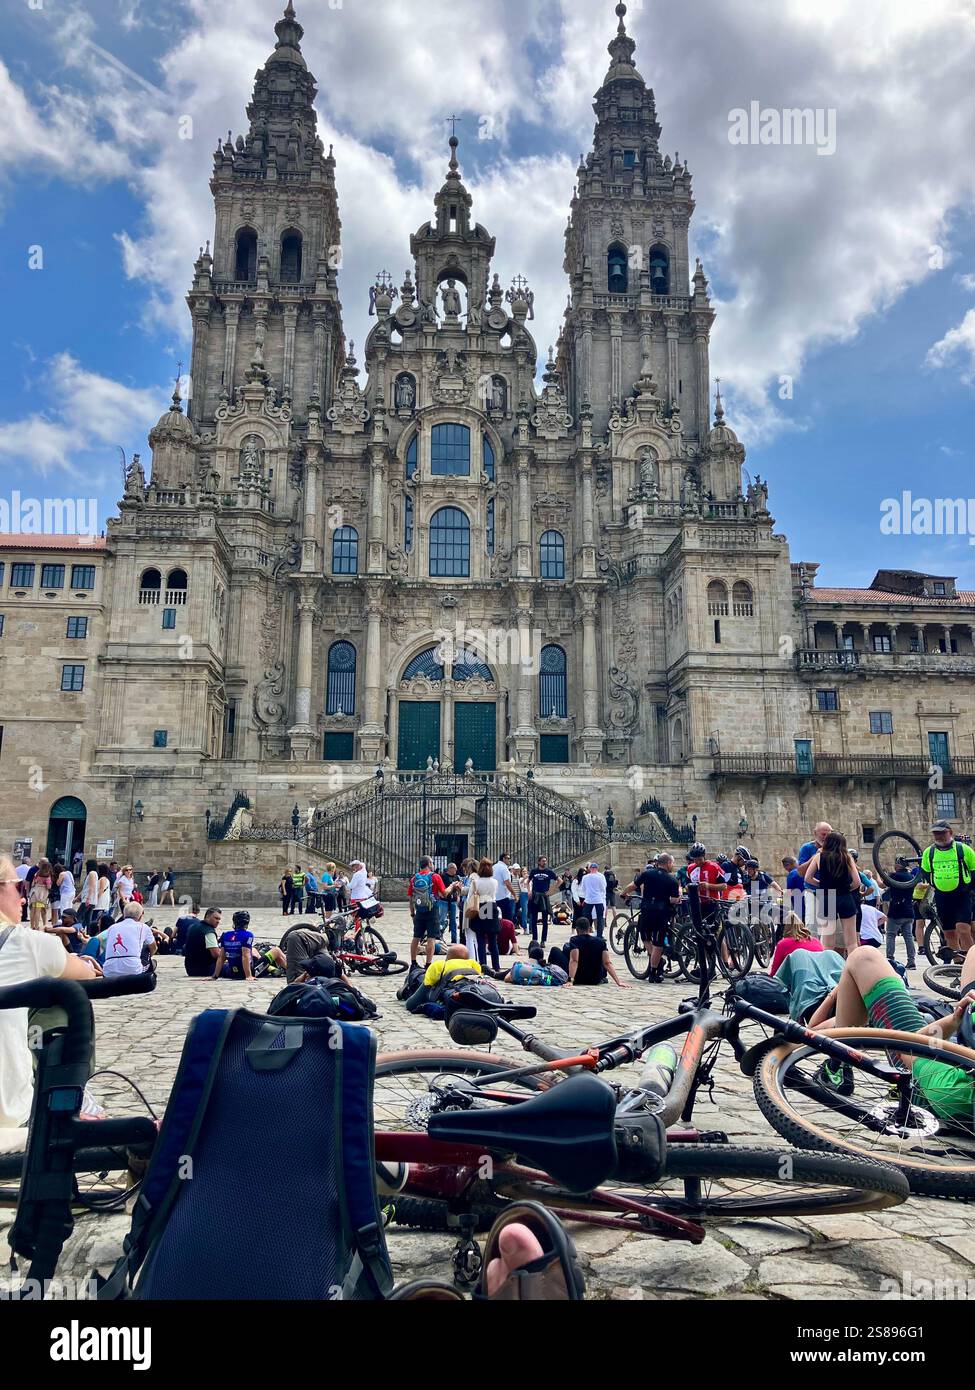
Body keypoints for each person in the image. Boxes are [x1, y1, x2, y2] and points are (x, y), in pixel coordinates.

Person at [805, 944, 975, 1119]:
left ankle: (836, 1069)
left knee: (864, 957)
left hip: (929, 1076)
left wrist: (955, 1020)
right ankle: (837, 1066)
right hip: (949, 1074)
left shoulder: (953, 1090)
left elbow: (910, 1048)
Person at [0, 854, 102, 1135]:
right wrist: (89, 964)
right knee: (59, 1006)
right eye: (20, 887)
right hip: (10, 1115)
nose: (24, 898)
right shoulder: (30, 944)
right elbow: (88, 974)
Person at [920, 819, 975, 960]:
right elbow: (925, 871)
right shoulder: (929, 852)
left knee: (963, 929)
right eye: (936, 833)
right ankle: (958, 967)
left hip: (962, 895)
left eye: (942, 833)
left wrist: (970, 888)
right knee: (949, 933)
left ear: (950, 832)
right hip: (942, 896)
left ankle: (972, 964)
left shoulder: (963, 849)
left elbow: (974, 869)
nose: (939, 836)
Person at [622, 853, 680, 983]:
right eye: (672, 863)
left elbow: (633, 885)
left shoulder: (647, 874)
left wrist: (624, 893)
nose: (673, 865)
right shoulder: (672, 880)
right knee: (658, 944)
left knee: (646, 938)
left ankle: (658, 962)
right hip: (662, 913)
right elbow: (675, 899)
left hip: (647, 910)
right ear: (668, 863)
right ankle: (654, 972)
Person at [801, 831, 861, 955]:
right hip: (845, 897)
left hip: (827, 898)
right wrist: (846, 888)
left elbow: (807, 878)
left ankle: (827, 969)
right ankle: (854, 969)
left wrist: (821, 885)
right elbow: (857, 882)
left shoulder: (819, 856)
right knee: (851, 942)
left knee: (828, 942)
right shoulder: (847, 856)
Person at [404, 944, 482, 1015]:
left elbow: (412, 1004)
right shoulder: (474, 965)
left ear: (448, 957)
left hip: (434, 987)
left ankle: (407, 986)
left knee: (418, 980)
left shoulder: (440, 965)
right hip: (461, 993)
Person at [562, 917, 627, 988]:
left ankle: (553, 976)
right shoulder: (601, 942)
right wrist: (618, 982)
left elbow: (574, 961)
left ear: (577, 930)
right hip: (595, 979)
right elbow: (607, 963)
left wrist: (570, 981)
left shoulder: (574, 940)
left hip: (578, 978)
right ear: (590, 929)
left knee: (557, 950)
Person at [407, 857, 447, 966]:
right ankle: (428, 963)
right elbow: (444, 894)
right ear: (429, 863)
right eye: (432, 863)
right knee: (431, 938)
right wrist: (452, 887)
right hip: (432, 910)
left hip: (419, 911)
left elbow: (410, 898)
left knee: (416, 937)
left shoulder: (414, 878)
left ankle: (413, 962)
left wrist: (412, 913)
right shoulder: (435, 877)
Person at [882, 858, 920, 971]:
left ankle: (890, 959)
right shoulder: (911, 877)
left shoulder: (895, 876)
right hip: (908, 909)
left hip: (896, 910)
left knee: (890, 934)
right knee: (908, 937)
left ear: (898, 865)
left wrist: (881, 874)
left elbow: (883, 884)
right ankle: (911, 961)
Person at [102, 902, 157, 978]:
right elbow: (153, 948)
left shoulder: (112, 928)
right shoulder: (143, 927)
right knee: (147, 951)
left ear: (124, 915)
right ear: (140, 916)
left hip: (109, 971)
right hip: (133, 969)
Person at [466, 857, 501, 972]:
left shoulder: (476, 882)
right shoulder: (494, 882)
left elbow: (470, 896)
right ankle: (496, 965)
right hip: (491, 906)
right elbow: (494, 894)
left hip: (480, 906)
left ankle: (483, 965)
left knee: (480, 938)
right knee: (492, 939)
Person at [767, 912, 824, 978]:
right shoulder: (816, 941)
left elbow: (775, 972)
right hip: (820, 980)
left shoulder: (783, 944)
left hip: (798, 981)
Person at [183, 908, 223, 978]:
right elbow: (216, 955)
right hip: (206, 968)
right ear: (207, 917)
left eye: (219, 919)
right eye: (216, 918)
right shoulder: (208, 932)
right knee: (235, 968)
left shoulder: (193, 927)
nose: (218, 921)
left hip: (190, 969)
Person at [527, 857, 558, 945]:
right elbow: (527, 881)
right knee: (534, 918)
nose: (544, 862)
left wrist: (551, 891)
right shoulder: (534, 871)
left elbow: (559, 881)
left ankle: (543, 940)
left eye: (545, 861)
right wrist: (529, 891)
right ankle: (535, 939)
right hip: (535, 895)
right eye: (543, 861)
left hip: (544, 896)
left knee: (545, 919)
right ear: (539, 862)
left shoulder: (549, 871)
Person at [581, 862, 608, 937]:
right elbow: (603, 888)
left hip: (588, 899)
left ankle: (585, 932)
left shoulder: (585, 877)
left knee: (586, 917)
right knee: (600, 917)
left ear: (590, 869)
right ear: (597, 869)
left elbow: (583, 888)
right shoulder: (600, 877)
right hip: (598, 899)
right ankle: (599, 934)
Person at [492, 853, 515, 923]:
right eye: (508, 858)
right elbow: (507, 883)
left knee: (496, 919)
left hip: (494, 897)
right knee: (507, 919)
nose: (509, 860)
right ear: (503, 859)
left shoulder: (493, 867)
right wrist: (514, 894)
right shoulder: (504, 868)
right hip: (504, 897)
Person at [515, 866, 530, 934]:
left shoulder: (529, 879)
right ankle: (525, 927)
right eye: (523, 871)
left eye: (525, 871)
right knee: (525, 911)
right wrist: (525, 878)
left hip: (529, 894)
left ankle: (530, 927)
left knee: (530, 911)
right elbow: (521, 882)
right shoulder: (520, 879)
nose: (525, 873)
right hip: (523, 894)